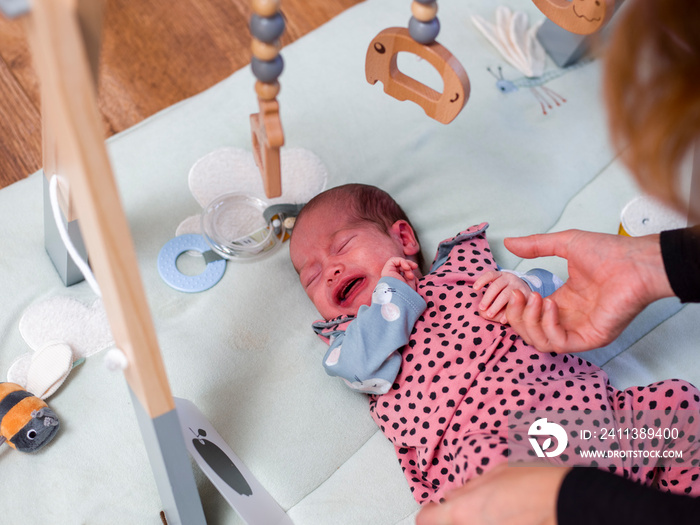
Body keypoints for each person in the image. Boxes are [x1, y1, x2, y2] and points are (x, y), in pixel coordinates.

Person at [417, 0, 700, 523]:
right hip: (576, 439)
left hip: (577, 443)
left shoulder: (457, 265)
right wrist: (654, 262)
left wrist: (562, 500)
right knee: (678, 410)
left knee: (675, 413)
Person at [289, 183, 700, 506]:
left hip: (595, 429)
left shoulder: (465, 273)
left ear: (403, 238)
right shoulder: (347, 345)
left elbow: (565, 303)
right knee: (492, 463)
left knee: (680, 407)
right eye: (312, 277)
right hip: (494, 462)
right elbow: (365, 365)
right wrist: (391, 296)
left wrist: (524, 287)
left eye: (341, 246)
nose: (330, 270)